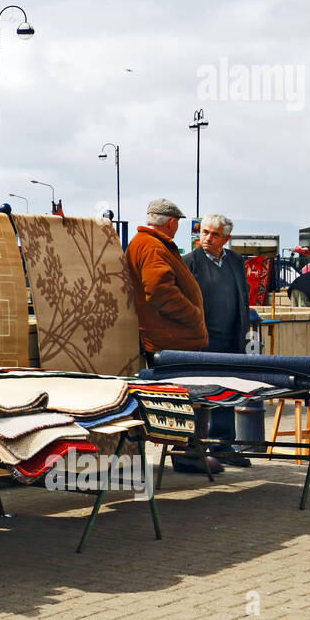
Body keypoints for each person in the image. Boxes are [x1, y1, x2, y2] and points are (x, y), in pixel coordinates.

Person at [126, 199, 214, 474]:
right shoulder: (153, 246)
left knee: (186, 398)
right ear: (172, 222)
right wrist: (193, 315)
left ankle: (187, 452)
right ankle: (189, 454)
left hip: (169, 337)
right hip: (174, 338)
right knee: (195, 397)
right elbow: (160, 291)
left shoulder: (146, 243)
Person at [183, 213, 251, 467]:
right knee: (200, 397)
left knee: (227, 394)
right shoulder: (190, 262)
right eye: (204, 232)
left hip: (231, 340)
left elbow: (242, 297)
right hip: (202, 342)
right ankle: (196, 449)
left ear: (226, 238)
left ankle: (224, 446)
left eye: (214, 234)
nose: (208, 238)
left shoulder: (235, 261)